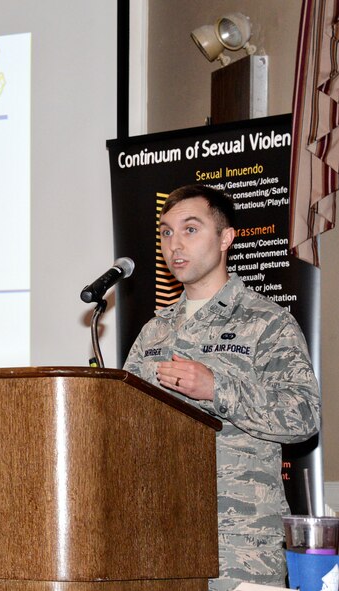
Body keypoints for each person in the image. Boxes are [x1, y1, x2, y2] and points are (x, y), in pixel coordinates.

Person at [123, 184, 320, 591]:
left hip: (239, 545)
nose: (174, 244)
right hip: (159, 538)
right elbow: (123, 422)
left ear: (226, 237)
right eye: (166, 232)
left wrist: (217, 388)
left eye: (190, 229)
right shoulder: (154, 332)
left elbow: (303, 417)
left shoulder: (268, 323)